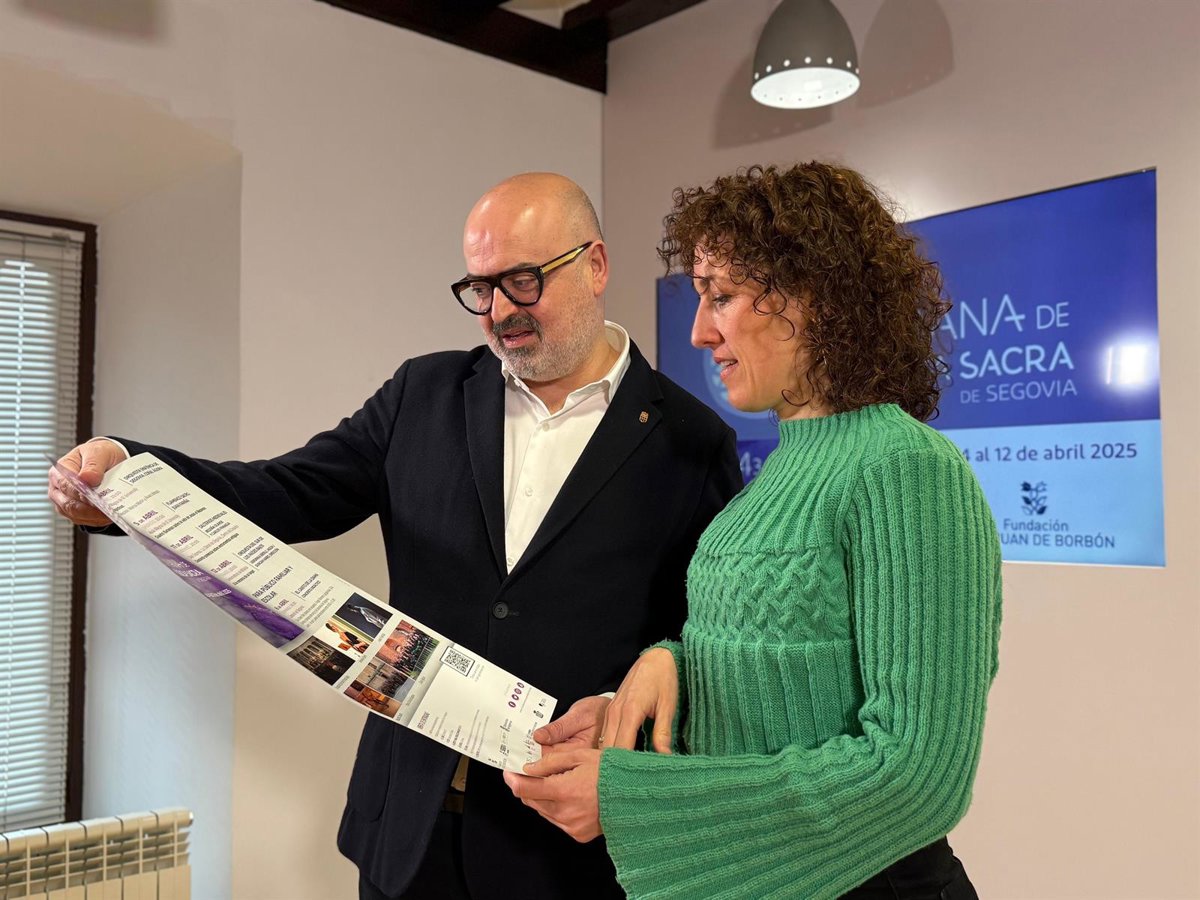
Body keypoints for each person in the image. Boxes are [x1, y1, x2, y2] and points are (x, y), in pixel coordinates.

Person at [47, 172, 743, 900]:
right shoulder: (422, 394)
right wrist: (129, 476)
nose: (500, 311)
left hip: (566, 852)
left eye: (523, 281)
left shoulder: (692, 440)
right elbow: (287, 490)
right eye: (480, 288)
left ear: (595, 265)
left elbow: (701, 642)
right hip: (406, 832)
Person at [505, 162, 1003, 899]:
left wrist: (635, 799)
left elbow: (917, 776)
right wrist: (665, 673)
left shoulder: (906, 469)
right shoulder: (775, 475)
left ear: (815, 296)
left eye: (722, 296)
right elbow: (786, 679)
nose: (700, 332)